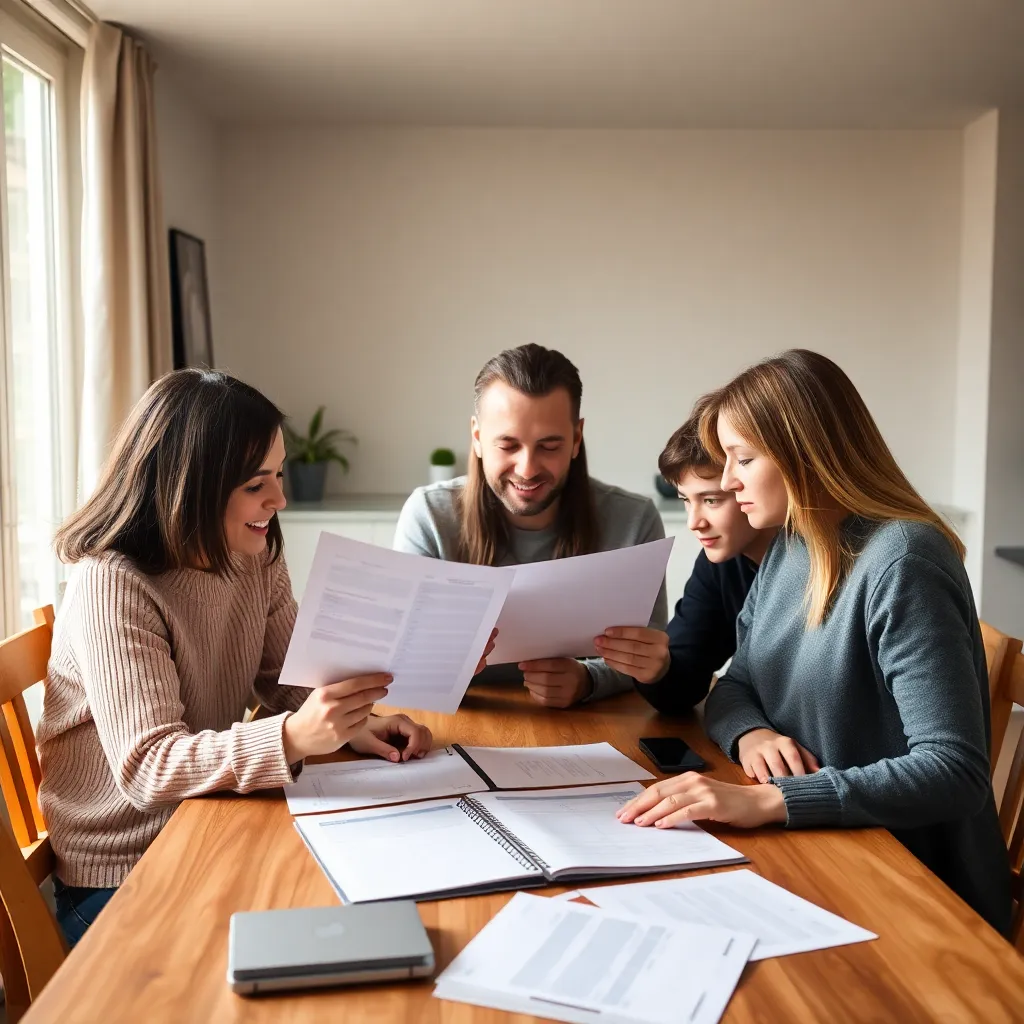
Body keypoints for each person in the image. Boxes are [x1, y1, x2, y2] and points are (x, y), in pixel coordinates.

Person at [37, 370, 449, 947]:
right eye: (259, 484)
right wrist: (294, 738)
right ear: (195, 487)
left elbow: (289, 677)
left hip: (210, 821)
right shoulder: (113, 582)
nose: (279, 500)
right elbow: (149, 767)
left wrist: (358, 725)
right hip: (125, 872)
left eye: (278, 475)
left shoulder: (251, 551)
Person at [618, 349, 1012, 935]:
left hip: (916, 887)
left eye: (742, 459)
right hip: (826, 844)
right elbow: (735, 685)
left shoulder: (904, 561)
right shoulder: (790, 546)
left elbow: (954, 771)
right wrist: (752, 734)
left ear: (804, 455)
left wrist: (771, 802)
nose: (726, 481)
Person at [395, 343, 668, 708]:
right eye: (508, 445)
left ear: (576, 439)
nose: (527, 469)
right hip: (457, 722)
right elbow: (400, 661)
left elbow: (648, 652)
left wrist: (589, 679)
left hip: (590, 728)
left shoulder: (634, 521)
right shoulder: (428, 515)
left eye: (549, 446)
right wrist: (439, 667)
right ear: (477, 438)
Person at [595, 401, 776, 714]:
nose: (694, 522)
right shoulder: (718, 565)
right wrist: (659, 669)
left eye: (710, 500)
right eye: (685, 501)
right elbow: (687, 680)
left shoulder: (824, 565)